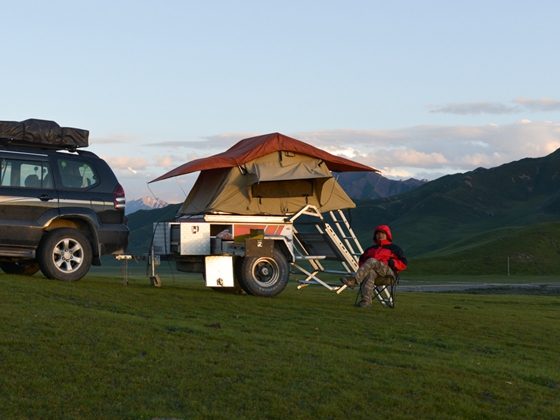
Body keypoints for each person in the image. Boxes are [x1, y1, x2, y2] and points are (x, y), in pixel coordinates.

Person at [340, 224, 407, 308]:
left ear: (387, 235)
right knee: (370, 272)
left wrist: (390, 262)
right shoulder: (370, 249)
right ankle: (366, 302)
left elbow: (403, 264)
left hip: (389, 274)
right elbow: (362, 262)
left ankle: (354, 280)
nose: (380, 235)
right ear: (375, 235)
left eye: (383, 233)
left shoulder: (395, 248)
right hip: (375, 275)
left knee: (371, 260)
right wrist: (365, 271)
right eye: (378, 233)